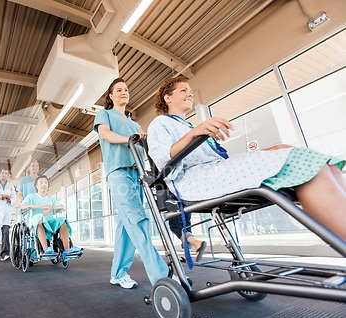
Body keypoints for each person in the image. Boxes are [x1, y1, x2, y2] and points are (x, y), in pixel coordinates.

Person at [147, 76, 346, 240]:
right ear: (168, 98)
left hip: (215, 172)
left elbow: (221, 163)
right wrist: (194, 133)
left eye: (190, 90)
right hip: (194, 180)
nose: (189, 93)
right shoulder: (160, 123)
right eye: (183, 90)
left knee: (322, 165)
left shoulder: (188, 127)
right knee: (301, 163)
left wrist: (265, 153)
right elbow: (163, 159)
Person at [93, 78, 170, 289]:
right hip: (117, 172)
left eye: (126, 90)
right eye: (118, 90)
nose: (123, 92)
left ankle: (118, 274)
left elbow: (144, 148)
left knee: (126, 227)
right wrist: (131, 137)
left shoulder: (135, 124)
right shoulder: (105, 115)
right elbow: (105, 135)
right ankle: (161, 275)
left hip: (136, 174)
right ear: (110, 95)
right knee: (138, 219)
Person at [20, 175, 81, 261]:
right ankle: (46, 250)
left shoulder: (50, 199)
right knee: (39, 216)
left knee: (62, 220)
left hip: (49, 222)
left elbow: (62, 207)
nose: (44, 184)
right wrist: (39, 206)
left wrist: (52, 208)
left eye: (45, 183)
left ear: (48, 186)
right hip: (35, 223)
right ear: (36, 186)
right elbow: (22, 206)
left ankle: (67, 251)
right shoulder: (31, 197)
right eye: (41, 182)